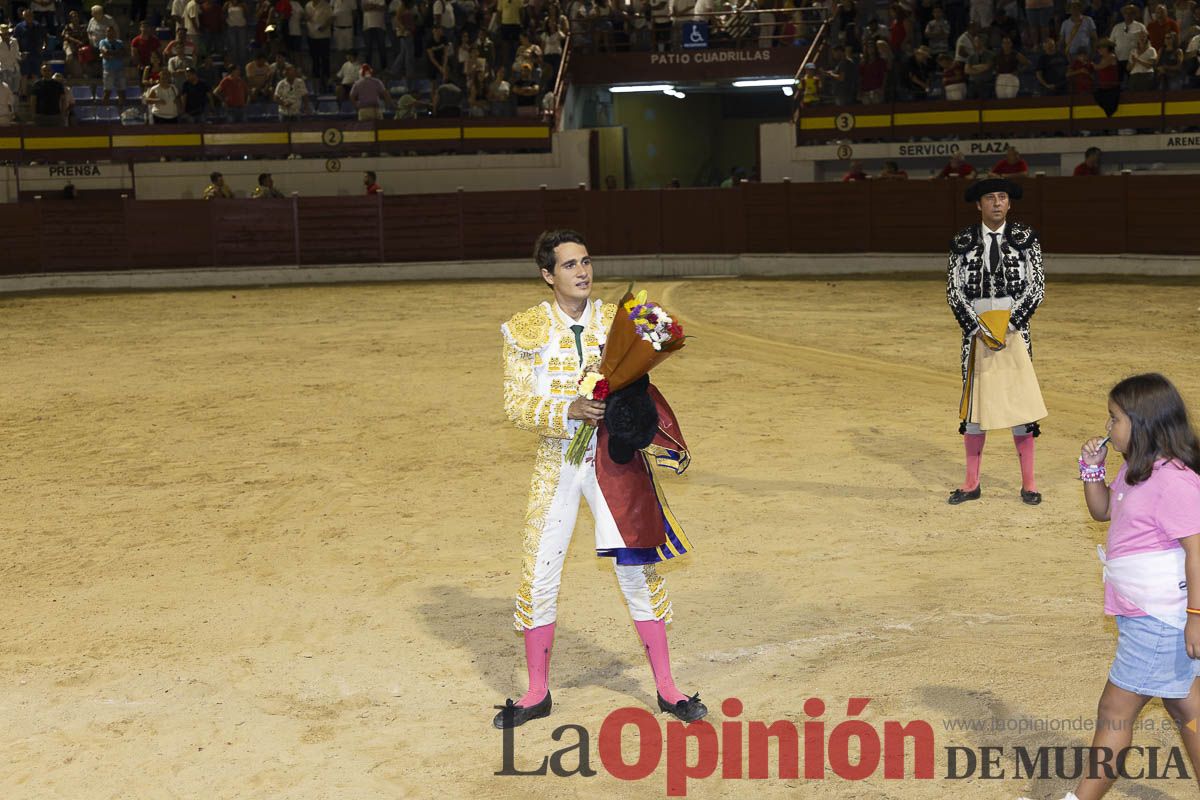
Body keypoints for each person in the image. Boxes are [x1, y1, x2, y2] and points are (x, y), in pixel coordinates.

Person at [493, 229, 704, 730]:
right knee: (540, 572)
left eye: (586, 262)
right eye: (569, 265)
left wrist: (628, 417)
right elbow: (516, 404)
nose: (583, 272)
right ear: (548, 275)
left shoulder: (619, 322)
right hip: (557, 462)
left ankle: (668, 690)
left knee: (637, 570)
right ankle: (537, 692)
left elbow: (639, 385)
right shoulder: (524, 330)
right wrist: (567, 408)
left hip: (613, 460)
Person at [1020, 375, 1200, 800]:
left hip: (1159, 621)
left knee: (1113, 713)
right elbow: (1101, 511)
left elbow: (1199, 551)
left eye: (1115, 418)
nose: (1107, 426)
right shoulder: (1136, 471)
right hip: (1148, 617)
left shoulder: (1174, 481)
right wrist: (1092, 469)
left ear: (1144, 424)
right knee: (1188, 710)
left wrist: (1196, 617)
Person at [945, 178, 1047, 506]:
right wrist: (978, 329)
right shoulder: (962, 241)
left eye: (1002, 197)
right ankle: (971, 483)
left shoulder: (1026, 239)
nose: (997, 203)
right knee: (976, 407)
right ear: (979, 205)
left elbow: (1037, 285)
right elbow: (953, 289)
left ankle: (1029, 484)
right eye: (990, 198)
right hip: (975, 334)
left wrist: (1009, 324)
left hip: (1016, 333)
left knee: (1020, 405)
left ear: (1009, 203)